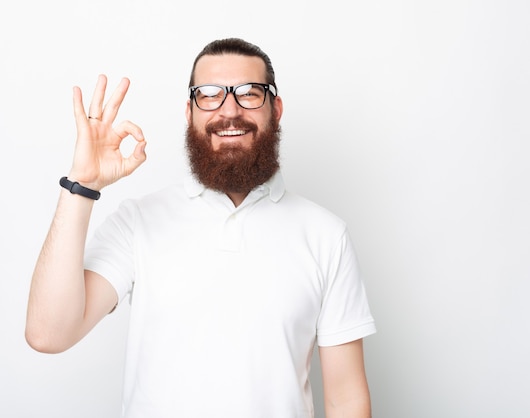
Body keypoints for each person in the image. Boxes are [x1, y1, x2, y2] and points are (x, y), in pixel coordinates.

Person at [26, 38, 376, 418]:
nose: (229, 110)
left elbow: (345, 400)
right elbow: (48, 334)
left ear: (275, 109)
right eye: (209, 95)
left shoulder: (326, 235)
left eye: (249, 93)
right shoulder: (138, 222)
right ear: (190, 112)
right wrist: (82, 185)